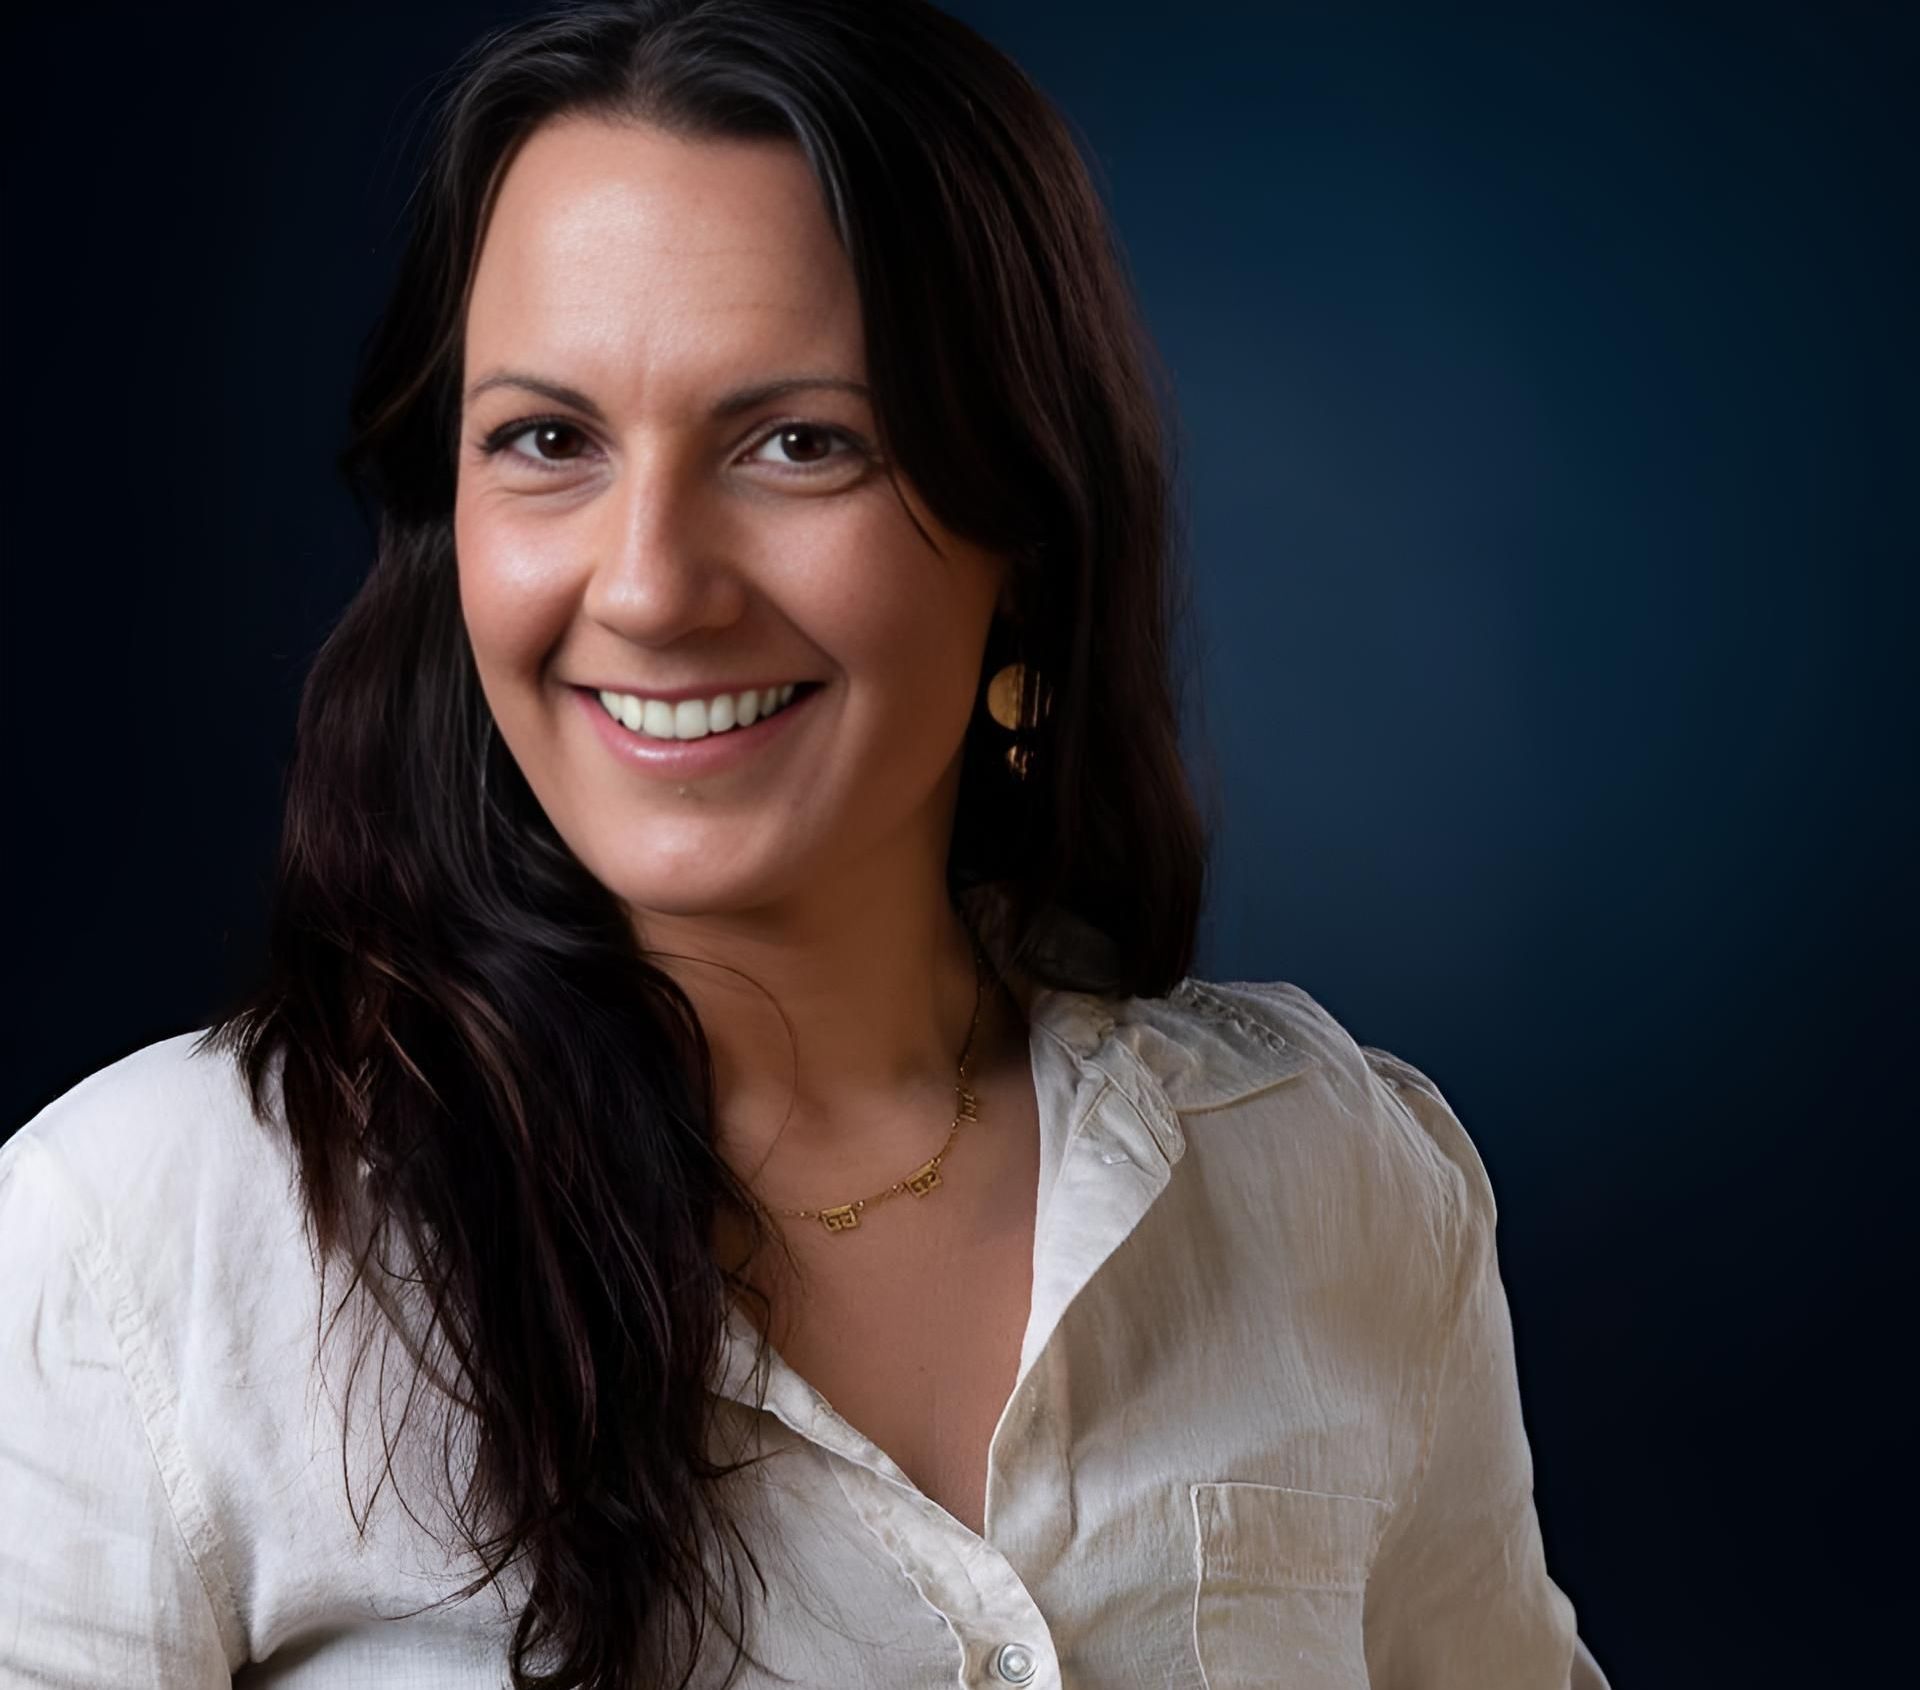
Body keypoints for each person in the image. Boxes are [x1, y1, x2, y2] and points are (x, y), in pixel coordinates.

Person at [0, 2, 1610, 1686]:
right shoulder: (143, 1245)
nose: (649, 586)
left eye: (798, 444)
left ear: (1024, 530)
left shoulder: (1340, 1176)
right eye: (548, 440)